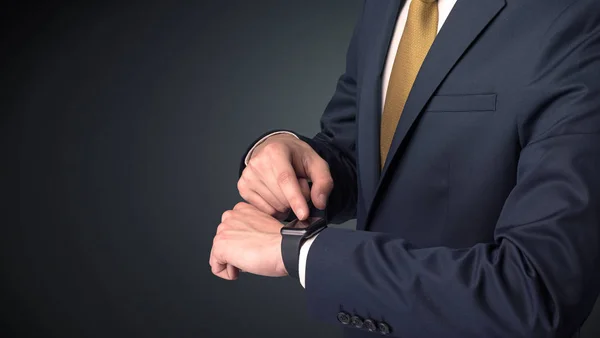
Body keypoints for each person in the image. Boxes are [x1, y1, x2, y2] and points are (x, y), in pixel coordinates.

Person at [209, 0, 600, 337]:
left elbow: (537, 295)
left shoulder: (574, 17)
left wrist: (301, 252)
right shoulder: (384, 7)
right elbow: (361, 154)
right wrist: (285, 157)